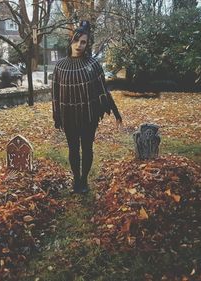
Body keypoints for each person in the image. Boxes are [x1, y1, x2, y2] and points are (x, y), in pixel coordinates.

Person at [51, 20, 122, 194]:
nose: (79, 45)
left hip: (88, 116)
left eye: (83, 42)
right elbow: (55, 95)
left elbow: (103, 90)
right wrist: (57, 115)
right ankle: (76, 180)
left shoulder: (93, 65)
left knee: (87, 148)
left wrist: (115, 111)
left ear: (87, 44)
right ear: (71, 40)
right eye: (76, 40)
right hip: (69, 117)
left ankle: (84, 180)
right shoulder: (60, 66)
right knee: (73, 150)